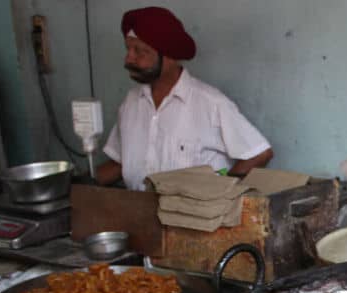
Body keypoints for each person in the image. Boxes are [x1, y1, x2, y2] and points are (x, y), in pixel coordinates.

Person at [97, 6, 274, 191]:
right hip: (137, 213)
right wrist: (77, 182)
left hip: (191, 217)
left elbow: (260, 154)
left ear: (170, 56)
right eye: (128, 49)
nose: (129, 59)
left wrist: (222, 192)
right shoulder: (131, 103)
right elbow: (120, 163)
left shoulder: (210, 103)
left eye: (140, 51)